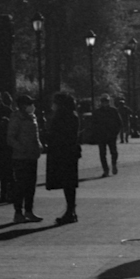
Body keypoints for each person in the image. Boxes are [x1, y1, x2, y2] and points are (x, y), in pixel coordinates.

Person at [44, 91, 82, 224]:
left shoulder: (64, 116)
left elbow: (60, 134)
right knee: (69, 182)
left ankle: (70, 211)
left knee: (68, 182)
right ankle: (71, 210)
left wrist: (49, 136)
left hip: (63, 152)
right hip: (69, 152)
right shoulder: (72, 115)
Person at [7, 94, 44, 223]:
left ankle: (29, 211)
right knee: (20, 185)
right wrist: (21, 148)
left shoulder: (32, 117)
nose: (32, 106)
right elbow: (10, 138)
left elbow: (36, 134)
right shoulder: (17, 118)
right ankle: (18, 212)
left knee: (30, 185)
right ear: (22, 105)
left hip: (32, 156)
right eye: (29, 104)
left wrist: (39, 145)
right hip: (21, 157)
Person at [92, 94, 123, 176]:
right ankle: (105, 169)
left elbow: (119, 123)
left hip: (111, 135)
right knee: (102, 154)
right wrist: (96, 133)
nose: (105, 103)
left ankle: (113, 164)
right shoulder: (97, 112)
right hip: (101, 135)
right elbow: (93, 124)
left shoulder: (113, 111)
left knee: (114, 152)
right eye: (103, 101)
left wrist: (115, 132)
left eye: (106, 101)